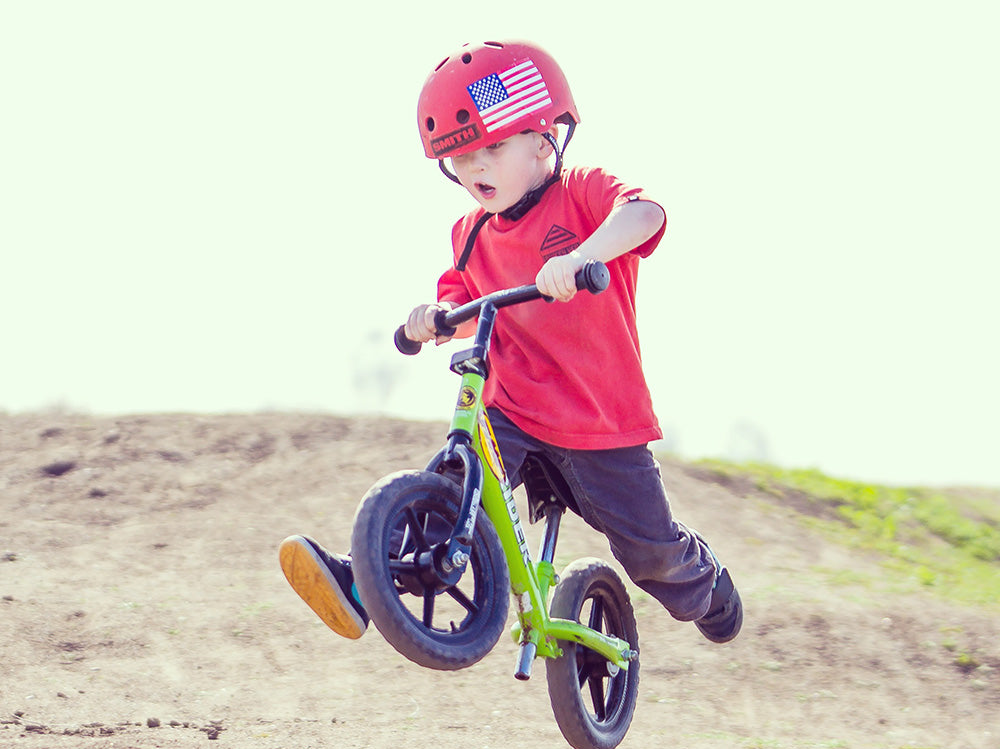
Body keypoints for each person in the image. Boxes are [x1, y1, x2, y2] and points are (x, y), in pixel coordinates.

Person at [279, 39, 742, 645]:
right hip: (515, 409)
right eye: (462, 157)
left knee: (649, 555)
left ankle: (702, 581)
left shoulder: (582, 192)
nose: (476, 169)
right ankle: (361, 581)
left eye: (493, 148)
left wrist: (581, 256)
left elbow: (647, 213)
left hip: (600, 421)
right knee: (451, 478)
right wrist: (434, 316)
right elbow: (460, 304)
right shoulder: (469, 233)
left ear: (544, 135)